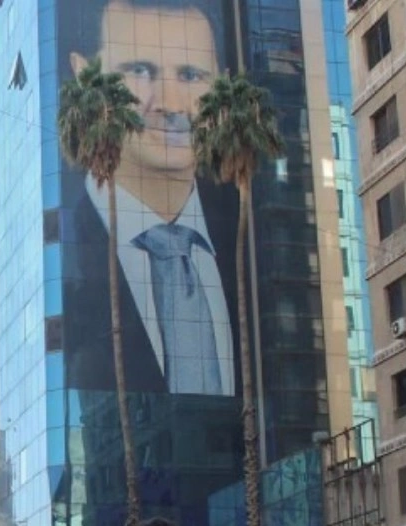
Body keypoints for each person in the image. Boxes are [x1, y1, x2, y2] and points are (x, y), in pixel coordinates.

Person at [60, 0, 240, 397]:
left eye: (191, 75)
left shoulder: (248, 241)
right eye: (140, 71)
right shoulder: (69, 258)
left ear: (221, 85)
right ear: (85, 75)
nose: (171, 104)